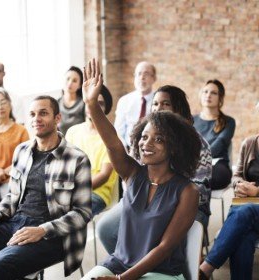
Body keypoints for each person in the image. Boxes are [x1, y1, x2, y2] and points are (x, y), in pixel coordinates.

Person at [0, 96, 92, 280]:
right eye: (32, 114)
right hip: (14, 224)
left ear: (57, 118)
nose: (36, 119)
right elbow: (12, 196)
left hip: (53, 235)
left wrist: (42, 230)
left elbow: (83, 213)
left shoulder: (77, 158)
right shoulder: (22, 151)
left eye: (43, 113)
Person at [82, 59, 201, 280]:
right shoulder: (132, 173)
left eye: (158, 139)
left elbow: (165, 248)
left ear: (174, 146)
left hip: (161, 272)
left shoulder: (187, 191)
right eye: (144, 137)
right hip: (118, 263)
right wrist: (91, 104)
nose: (146, 144)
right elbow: (112, 143)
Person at [97, 85, 212, 254]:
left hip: (186, 206)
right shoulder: (145, 137)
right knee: (106, 229)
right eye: (155, 104)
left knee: (156, 238)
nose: (159, 108)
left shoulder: (197, 144)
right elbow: (131, 178)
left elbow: (199, 193)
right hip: (144, 201)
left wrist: (158, 208)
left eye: (165, 104)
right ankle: (130, 263)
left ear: (179, 109)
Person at [199, 134, 259, 280]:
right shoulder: (250, 142)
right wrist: (239, 185)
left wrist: (257, 191)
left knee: (246, 211)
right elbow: (236, 175)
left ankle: (206, 268)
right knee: (243, 236)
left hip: (249, 209)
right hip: (247, 207)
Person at [66, 85, 118, 215]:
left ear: (106, 108)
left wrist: (76, 190)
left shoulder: (111, 137)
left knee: (67, 217)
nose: (93, 106)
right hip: (70, 189)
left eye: (99, 103)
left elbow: (104, 175)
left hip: (97, 193)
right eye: (91, 101)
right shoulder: (73, 132)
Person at [193, 79, 235, 190]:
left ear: (220, 98)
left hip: (217, 166)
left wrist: (199, 160)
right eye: (205, 91)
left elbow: (220, 143)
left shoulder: (229, 121)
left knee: (203, 176)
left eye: (213, 93)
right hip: (193, 165)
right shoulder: (190, 120)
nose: (208, 95)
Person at [114, 61, 156, 149]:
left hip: (152, 149)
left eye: (146, 74)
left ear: (154, 78)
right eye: (139, 74)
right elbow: (118, 131)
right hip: (129, 149)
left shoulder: (158, 101)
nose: (142, 77)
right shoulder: (124, 101)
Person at [57, 66, 85, 135]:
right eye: (68, 79)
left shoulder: (83, 104)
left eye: (74, 81)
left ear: (79, 85)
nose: (70, 83)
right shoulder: (56, 104)